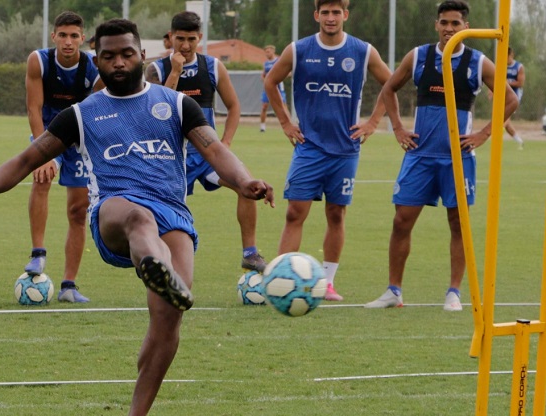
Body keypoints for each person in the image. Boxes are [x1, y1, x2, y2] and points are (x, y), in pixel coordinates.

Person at [0, 19, 274, 416]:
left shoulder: (176, 105)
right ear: (96, 59)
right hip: (114, 213)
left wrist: (245, 181)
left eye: (126, 53)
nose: (118, 62)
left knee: (169, 318)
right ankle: (155, 265)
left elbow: (214, 150)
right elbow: (28, 157)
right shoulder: (83, 113)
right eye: (109, 56)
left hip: (174, 213)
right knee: (138, 218)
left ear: (143, 55)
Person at [365, 0, 518, 311]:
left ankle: (453, 292)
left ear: (466, 28)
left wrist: (483, 134)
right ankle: (394, 291)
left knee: (458, 223)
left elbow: (510, 99)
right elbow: (388, 89)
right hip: (420, 156)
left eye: (455, 24)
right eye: (444, 23)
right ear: (436, 25)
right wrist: (397, 127)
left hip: (458, 159)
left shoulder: (478, 62)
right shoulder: (419, 56)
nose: (449, 29)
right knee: (401, 220)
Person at [263, 0, 393, 301]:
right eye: (326, 12)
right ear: (316, 15)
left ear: (345, 15)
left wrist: (373, 123)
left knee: (336, 214)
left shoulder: (363, 51)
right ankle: (280, 281)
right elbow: (271, 82)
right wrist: (285, 122)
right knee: (295, 212)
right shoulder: (299, 50)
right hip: (309, 148)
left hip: (345, 150)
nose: (331, 18)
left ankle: (328, 283)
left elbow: (391, 84)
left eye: (337, 12)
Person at [145, 11, 267, 273]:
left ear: (200, 37)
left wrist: (225, 143)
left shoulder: (212, 66)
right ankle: (163, 264)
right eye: (180, 39)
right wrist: (175, 71)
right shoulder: (155, 69)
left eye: (191, 39)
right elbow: (156, 109)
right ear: (170, 37)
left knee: (246, 183)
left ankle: (250, 253)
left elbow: (234, 107)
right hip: (169, 159)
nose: (186, 46)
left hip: (205, 157)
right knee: (168, 219)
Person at [24, 11, 103, 303]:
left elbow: (99, 105)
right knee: (41, 178)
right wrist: (42, 153)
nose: (68, 42)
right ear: (53, 35)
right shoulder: (39, 60)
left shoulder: (93, 66)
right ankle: (38, 253)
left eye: (74, 36)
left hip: (80, 136)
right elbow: (34, 109)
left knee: (77, 211)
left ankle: (69, 285)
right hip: (49, 131)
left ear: (83, 39)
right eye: (63, 35)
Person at [259, 44, 286, 133]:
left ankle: (289, 125)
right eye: (265, 52)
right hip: (267, 88)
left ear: (273, 51)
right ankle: (262, 126)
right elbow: (263, 75)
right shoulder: (265, 63)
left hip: (278, 87)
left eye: (268, 51)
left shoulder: (279, 61)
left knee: (284, 106)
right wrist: (265, 80)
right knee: (264, 107)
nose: (267, 53)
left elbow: (286, 72)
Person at [504, 47, 525, 149]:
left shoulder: (518, 67)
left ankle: (492, 135)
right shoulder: (502, 65)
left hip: (514, 97)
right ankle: (519, 141)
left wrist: (508, 83)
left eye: (506, 56)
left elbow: (520, 83)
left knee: (503, 119)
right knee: (507, 124)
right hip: (504, 96)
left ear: (511, 55)